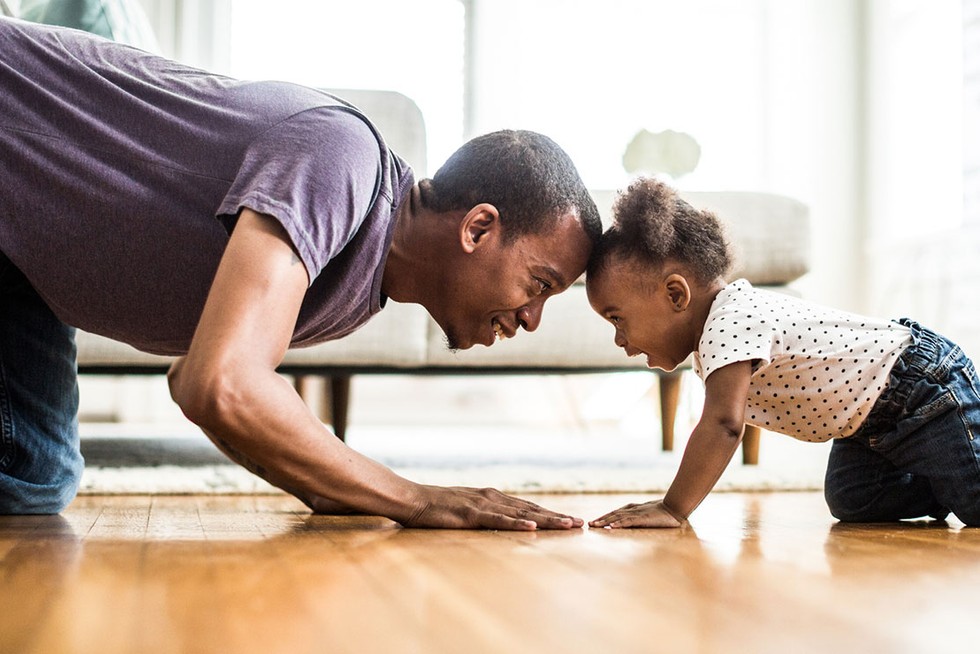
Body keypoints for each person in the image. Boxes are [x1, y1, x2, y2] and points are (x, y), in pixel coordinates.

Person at [0, 17, 602, 529]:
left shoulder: (359, 287)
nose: (532, 319)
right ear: (477, 229)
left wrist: (330, 486)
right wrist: (414, 499)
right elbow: (223, 383)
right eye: (540, 284)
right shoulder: (342, 158)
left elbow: (193, 383)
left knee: (34, 478)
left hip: (17, 264)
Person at [585, 177, 980, 528]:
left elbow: (724, 424)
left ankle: (958, 475)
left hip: (920, 386)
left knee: (976, 504)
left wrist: (674, 508)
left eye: (617, 319)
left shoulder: (730, 321)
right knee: (853, 499)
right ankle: (942, 477)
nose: (619, 339)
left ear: (676, 294)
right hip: (867, 423)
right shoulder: (719, 333)